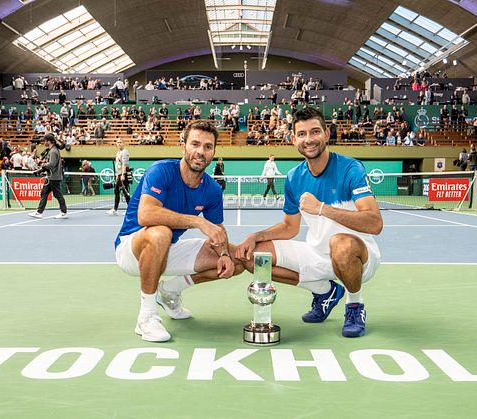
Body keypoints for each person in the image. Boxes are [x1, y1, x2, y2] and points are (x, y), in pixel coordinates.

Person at [236, 107, 383, 338]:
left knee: (340, 243)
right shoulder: (294, 177)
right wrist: (256, 237)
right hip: (317, 254)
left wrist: (322, 209)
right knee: (255, 257)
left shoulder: (350, 168)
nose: (309, 139)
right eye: (302, 134)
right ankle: (325, 292)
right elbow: (289, 227)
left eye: (315, 132)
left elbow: (375, 223)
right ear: (293, 139)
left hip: (358, 257)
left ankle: (354, 305)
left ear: (326, 133)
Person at [114, 120, 243, 342]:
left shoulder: (212, 189)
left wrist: (223, 254)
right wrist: (197, 222)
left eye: (207, 146)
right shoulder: (161, 171)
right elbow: (146, 215)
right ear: (182, 146)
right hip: (133, 249)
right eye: (195, 144)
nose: (200, 151)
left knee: (237, 258)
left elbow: (217, 230)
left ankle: (170, 291)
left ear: (213, 152)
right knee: (161, 232)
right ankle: (146, 317)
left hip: (167, 250)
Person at [28, 134, 68, 219]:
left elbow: (52, 164)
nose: (44, 142)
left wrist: (42, 165)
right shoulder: (52, 150)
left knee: (57, 194)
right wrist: (39, 171)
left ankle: (64, 212)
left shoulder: (53, 151)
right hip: (50, 177)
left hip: (54, 177)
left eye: (45, 141)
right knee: (44, 193)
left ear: (49, 141)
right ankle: (39, 212)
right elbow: (49, 166)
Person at [108, 138, 131, 215]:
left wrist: (123, 175)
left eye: (120, 142)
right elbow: (118, 165)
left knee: (124, 192)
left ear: (123, 143)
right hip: (119, 174)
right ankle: (115, 209)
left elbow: (124, 164)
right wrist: (117, 175)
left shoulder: (125, 152)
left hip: (123, 175)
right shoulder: (118, 153)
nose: (119, 143)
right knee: (117, 191)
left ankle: (129, 209)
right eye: (118, 142)